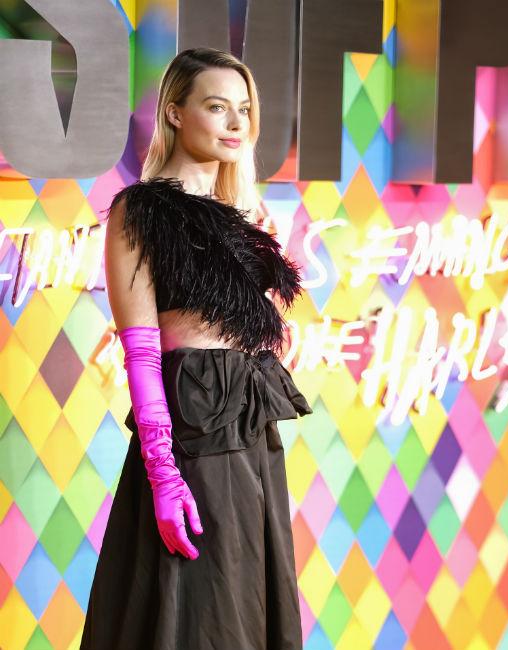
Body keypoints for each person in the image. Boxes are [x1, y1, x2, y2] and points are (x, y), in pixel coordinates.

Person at [80, 48, 312, 650]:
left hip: (250, 425)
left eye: (244, 109)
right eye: (217, 107)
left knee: (248, 603)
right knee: (203, 614)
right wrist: (163, 473)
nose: (236, 123)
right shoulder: (141, 209)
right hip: (196, 428)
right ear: (176, 113)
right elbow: (141, 351)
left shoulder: (245, 217)